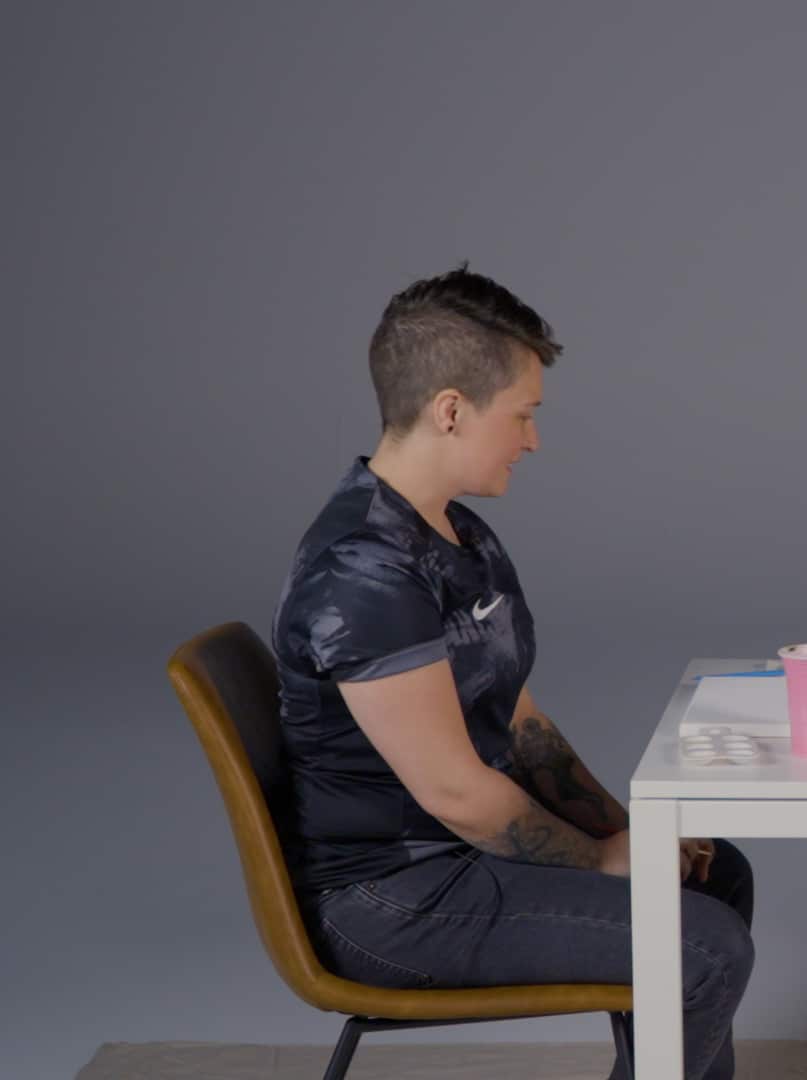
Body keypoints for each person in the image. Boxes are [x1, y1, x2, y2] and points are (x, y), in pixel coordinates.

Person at [271, 265, 754, 1079]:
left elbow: (521, 725)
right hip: (396, 899)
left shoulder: (459, 535)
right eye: (523, 415)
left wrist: (633, 833)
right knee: (705, 950)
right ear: (451, 410)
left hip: (461, 860)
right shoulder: (363, 570)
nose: (532, 441)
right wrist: (602, 862)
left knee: (715, 875)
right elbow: (455, 793)